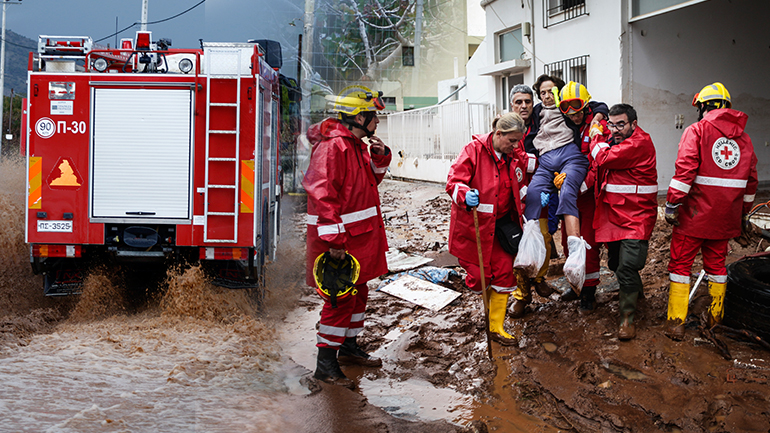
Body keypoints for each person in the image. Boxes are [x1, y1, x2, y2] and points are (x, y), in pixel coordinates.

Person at [303, 85, 392, 388]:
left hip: (359, 239)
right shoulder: (334, 148)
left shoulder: (354, 145)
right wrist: (334, 242)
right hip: (341, 243)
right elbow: (321, 196)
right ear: (359, 117)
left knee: (358, 294)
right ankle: (325, 365)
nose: (377, 122)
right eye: (374, 116)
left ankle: (348, 348)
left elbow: (366, 186)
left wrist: (379, 159)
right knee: (339, 300)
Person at [664, 82, 758, 340]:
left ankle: (676, 322)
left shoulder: (697, 130)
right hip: (725, 218)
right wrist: (743, 214)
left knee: (681, 266)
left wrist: (672, 203)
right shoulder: (745, 139)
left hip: (694, 216)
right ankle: (715, 319)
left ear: (704, 106)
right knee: (717, 266)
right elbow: (751, 182)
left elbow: (684, 171)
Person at [446, 112, 528, 345]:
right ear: (498, 133)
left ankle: (496, 327)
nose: (515, 146)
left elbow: (521, 182)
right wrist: (463, 194)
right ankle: (486, 308)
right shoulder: (473, 150)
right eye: (511, 141)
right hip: (475, 228)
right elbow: (453, 182)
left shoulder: (513, 155)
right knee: (481, 276)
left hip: (502, 226)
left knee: (504, 273)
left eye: (518, 141)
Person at [521, 75, 608, 294]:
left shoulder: (585, 119)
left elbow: (599, 107)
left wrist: (582, 184)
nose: (547, 96)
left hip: (581, 187)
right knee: (554, 226)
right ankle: (567, 282)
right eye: (542, 92)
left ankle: (587, 290)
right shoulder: (535, 116)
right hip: (552, 182)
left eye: (551, 91)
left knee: (582, 235)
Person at [588, 104, 657, 340]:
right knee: (616, 263)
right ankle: (636, 292)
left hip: (637, 216)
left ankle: (627, 318)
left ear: (633, 124)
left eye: (621, 124)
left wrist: (595, 133)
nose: (615, 129)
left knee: (628, 266)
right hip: (615, 215)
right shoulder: (617, 139)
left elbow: (602, 157)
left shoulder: (639, 143)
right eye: (612, 124)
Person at [556, 81, 611, 311]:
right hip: (569, 194)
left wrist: (585, 185)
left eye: (577, 108)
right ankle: (575, 284)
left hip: (587, 195)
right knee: (569, 242)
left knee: (587, 241)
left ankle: (589, 291)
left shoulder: (597, 126)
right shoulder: (565, 126)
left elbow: (600, 160)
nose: (573, 114)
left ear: (586, 105)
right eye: (567, 109)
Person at [508, 84, 555, 318]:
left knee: (544, 238)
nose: (524, 106)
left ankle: (539, 277)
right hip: (514, 195)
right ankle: (522, 296)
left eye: (527, 101)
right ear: (511, 105)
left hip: (540, 190)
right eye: (519, 102)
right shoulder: (505, 127)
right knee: (518, 247)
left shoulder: (542, 119)